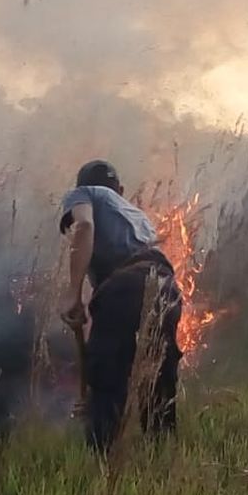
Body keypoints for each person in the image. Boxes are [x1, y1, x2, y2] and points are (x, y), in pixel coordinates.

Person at [58, 160, 183, 452]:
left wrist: (73, 294)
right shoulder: (138, 216)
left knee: (107, 379)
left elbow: (85, 224)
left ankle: (101, 464)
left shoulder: (84, 193)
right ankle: (162, 457)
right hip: (165, 286)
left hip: (126, 284)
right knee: (157, 378)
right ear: (121, 190)